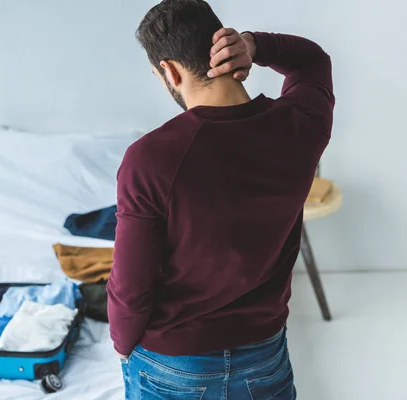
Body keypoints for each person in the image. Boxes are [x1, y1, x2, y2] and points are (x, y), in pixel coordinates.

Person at [106, 0, 334, 399]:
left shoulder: (150, 158)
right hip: (264, 355)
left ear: (169, 71)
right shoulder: (300, 124)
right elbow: (312, 60)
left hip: (173, 364)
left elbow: (130, 286)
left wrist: (124, 347)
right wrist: (255, 45)